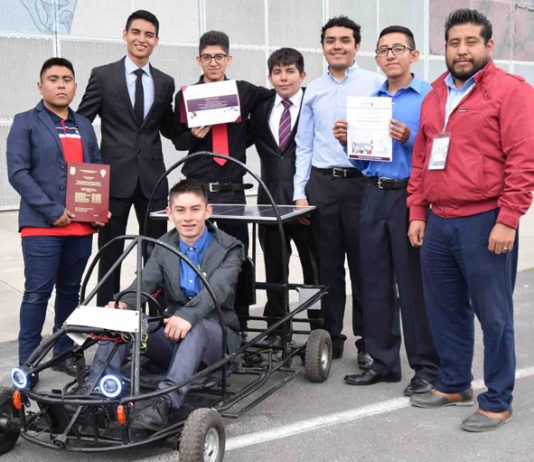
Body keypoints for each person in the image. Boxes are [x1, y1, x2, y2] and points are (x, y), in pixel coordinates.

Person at [406, 9, 534, 432]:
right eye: (454, 43)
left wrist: (509, 218)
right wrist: (418, 211)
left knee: (494, 316)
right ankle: (455, 382)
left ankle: (497, 399)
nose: (462, 50)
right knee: (444, 310)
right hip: (439, 222)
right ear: (445, 48)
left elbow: (523, 159)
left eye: (471, 42)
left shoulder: (511, 91)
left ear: (489, 46)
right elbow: (422, 160)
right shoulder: (434, 95)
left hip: (485, 221)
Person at [85, 179, 244, 431]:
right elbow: (144, 283)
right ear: (169, 213)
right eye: (180, 210)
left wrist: (188, 316)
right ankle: (98, 396)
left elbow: (218, 290)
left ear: (208, 211)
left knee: (197, 327)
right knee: (124, 323)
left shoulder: (230, 248)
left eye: (195, 209)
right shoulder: (162, 246)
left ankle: (165, 402)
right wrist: (125, 305)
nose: (188, 218)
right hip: (174, 333)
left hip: (217, 336)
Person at [333, 26, 440, 394]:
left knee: (413, 286)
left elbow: (442, 149)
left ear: (415, 54)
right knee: (373, 282)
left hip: (410, 195)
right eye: (383, 50)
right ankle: (383, 362)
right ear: (376, 58)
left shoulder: (430, 97)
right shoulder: (371, 100)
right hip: (372, 193)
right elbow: (365, 163)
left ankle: (426, 368)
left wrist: (409, 140)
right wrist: (351, 143)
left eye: (398, 48)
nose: (390, 55)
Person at [293, 16, 384, 361]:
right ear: (323, 47)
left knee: (364, 267)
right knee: (327, 268)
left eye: (344, 40)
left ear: (357, 46)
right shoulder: (313, 89)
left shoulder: (375, 83)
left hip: (361, 184)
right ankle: (331, 338)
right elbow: (304, 145)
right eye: (330, 40)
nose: (337, 46)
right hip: (322, 185)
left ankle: (367, 342)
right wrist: (300, 192)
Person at [7, 57, 105, 371]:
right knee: (37, 294)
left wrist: (98, 209)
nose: (60, 84)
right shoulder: (25, 122)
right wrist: (52, 211)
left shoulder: (85, 125)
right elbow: (18, 173)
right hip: (42, 227)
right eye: (53, 79)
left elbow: (95, 170)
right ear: (40, 86)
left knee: (69, 293)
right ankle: (29, 363)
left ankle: (63, 353)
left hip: (80, 228)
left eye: (66, 79)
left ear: (75, 86)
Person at [173, 30, 272, 329]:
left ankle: (237, 324)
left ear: (228, 59)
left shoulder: (243, 91)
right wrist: (192, 134)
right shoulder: (186, 95)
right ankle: (199, 321)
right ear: (198, 60)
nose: (213, 63)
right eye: (207, 57)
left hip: (233, 191)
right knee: (197, 257)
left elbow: (273, 98)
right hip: (198, 192)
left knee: (236, 257)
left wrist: (247, 138)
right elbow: (177, 141)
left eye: (219, 57)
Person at [78, 10, 175, 306]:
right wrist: (92, 169)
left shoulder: (164, 81)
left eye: (148, 34)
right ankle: (106, 324)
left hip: (153, 180)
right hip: (113, 180)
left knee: (156, 252)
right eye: (136, 32)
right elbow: (83, 123)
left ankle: (153, 318)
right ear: (125, 35)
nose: (141, 39)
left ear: (156, 41)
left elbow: (169, 126)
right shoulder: (102, 75)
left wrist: (195, 131)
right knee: (110, 251)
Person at [248, 48, 318, 342]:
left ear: (302, 75)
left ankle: (321, 328)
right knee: (275, 269)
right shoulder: (261, 109)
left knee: (313, 270)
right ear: (269, 77)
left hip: (307, 203)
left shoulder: (315, 105)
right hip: (269, 203)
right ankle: (277, 329)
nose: (283, 77)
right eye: (277, 72)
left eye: (290, 71)